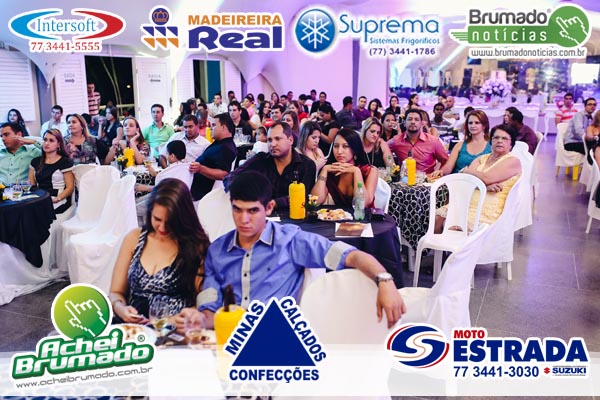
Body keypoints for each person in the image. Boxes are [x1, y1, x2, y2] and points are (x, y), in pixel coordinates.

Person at [175, 171, 405, 331]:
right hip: (228, 337)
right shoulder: (217, 250)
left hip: (275, 336)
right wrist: (199, 318)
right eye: (237, 210)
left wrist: (385, 280)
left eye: (252, 211)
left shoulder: (290, 241)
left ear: (269, 208)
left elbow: (350, 256)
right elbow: (211, 306)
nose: (244, 219)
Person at [109, 178, 210, 323]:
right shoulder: (134, 238)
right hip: (133, 327)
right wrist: (121, 308)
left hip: (175, 328)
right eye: (157, 219)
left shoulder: (196, 247)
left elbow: (204, 305)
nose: (162, 228)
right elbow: (115, 292)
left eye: (170, 222)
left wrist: (171, 321)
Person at [435, 124, 522, 232]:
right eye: (496, 137)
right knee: (437, 218)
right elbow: (466, 181)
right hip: (467, 202)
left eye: (504, 138)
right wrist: (485, 186)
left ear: (511, 144)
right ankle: (434, 243)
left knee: (454, 227)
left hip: (488, 208)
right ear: (491, 141)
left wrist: (467, 171)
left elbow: (486, 177)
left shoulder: (513, 161)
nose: (499, 141)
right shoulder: (482, 158)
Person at [227, 122, 316, 210]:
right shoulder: (260, 160)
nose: (272, 144)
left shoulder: (307, 165)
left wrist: (275, 203)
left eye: (277, 139)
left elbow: (304, 196)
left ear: (290, 140)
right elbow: (231, 177)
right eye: (269, 140)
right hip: (261, 214)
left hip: (295, 215)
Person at [311, 128, 377, 208]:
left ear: (355, 148)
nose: (339, 151)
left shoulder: (370, 171)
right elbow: (315, 202)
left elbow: (363, 205)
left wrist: (356, 172)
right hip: (337, 215)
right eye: (336, 146)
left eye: (345, 146)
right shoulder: (330, 171)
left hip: (363, 215)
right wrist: (324, 170)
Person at [189, 113, 237, 201]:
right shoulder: (221, 143)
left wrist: (200, 168)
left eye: (214, 125)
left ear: (223, 127)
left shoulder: (225, 148)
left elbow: (223, 174)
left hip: (200, 194)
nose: (211, 128)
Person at [388, 109, 448, 174]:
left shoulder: (433, 141)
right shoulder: (396, 140)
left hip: (427, 179)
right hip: (404, 179)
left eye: (416, 119)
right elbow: (382, 148)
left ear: (421, 123)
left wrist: (439, 172)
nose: (413, 122)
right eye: (410, 119)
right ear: (404, 123)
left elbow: (446, 161)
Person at [433, 110, 492, 176]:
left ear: (484, 126)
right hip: (458, 179)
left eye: (477, 123)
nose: (473, 125)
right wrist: (441, 172)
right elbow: (448, 167)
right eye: (470, 123)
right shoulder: (459, 145)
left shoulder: (491, 146)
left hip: (480, 180)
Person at [29, 129, 74, 214]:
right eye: (45, 140)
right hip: (39, 198)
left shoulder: (65, 162)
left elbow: (70, 187)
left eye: (51, 140)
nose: (47, 143)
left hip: (58, 199)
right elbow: (32, 184)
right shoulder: (35, 161)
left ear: (59, 144)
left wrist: (57, 199)